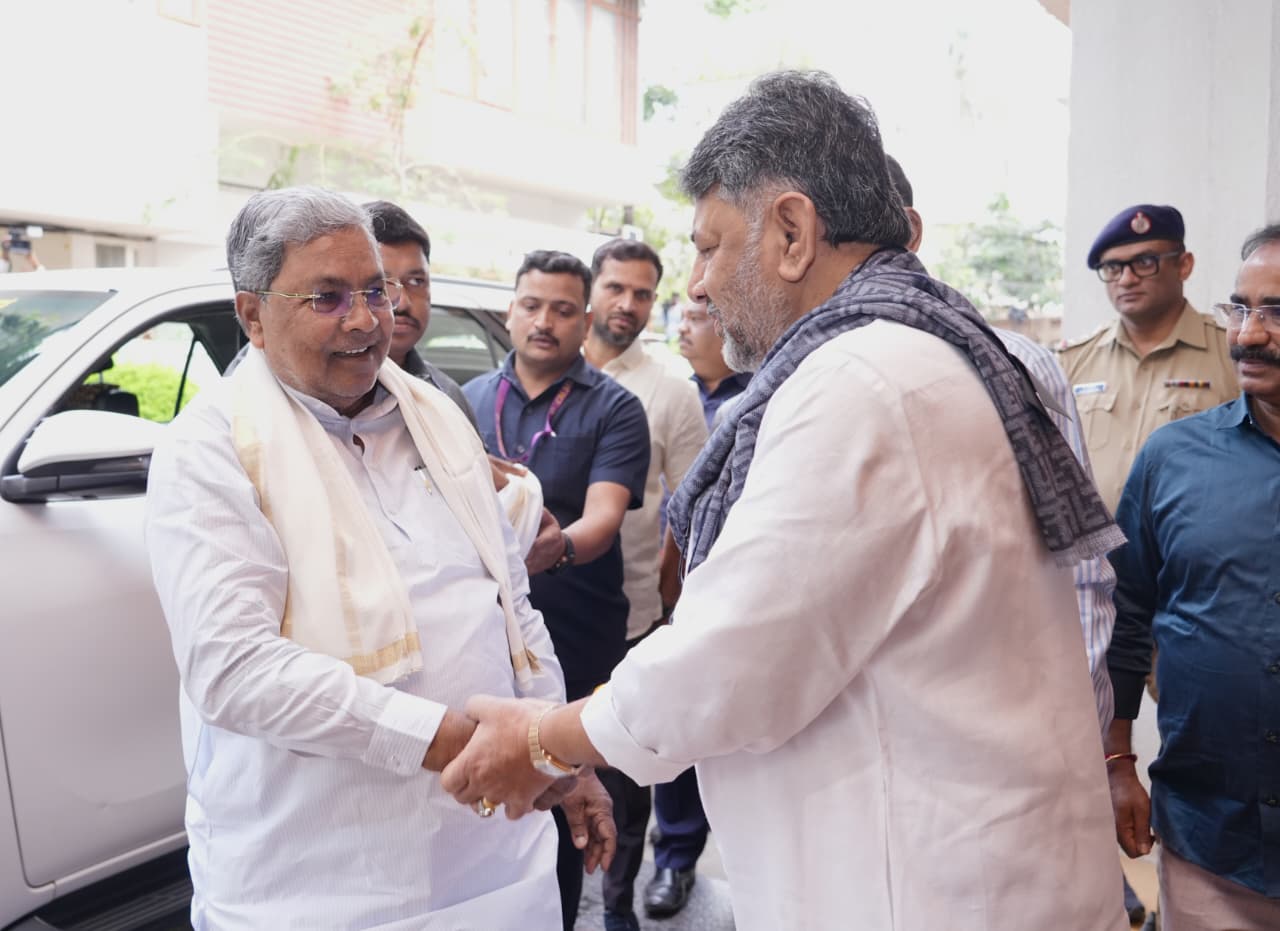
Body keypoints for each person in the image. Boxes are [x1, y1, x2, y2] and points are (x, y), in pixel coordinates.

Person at [440, 71, 1128, 931]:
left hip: (923, 892)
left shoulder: (862, 381)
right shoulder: (924, 350)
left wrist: (543, 739)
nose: (696, 285)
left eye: (709, 247)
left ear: (793, 233)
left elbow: (727, 661)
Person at [145, 186, 612, 929]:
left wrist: (557, 753)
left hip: (499, 863)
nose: (364, 319)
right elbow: (235, 670)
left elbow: (510, 603)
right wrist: (469, 745)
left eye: (374, 291)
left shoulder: (434, 415)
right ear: (252, 315)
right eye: (327, 298)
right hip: (324, 888)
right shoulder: (208, 451)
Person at [885, 152, 1119, 736]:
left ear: (909, 231)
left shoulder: (1017, 365)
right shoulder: (785, 383)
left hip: (1000, 728)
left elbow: (1078, 572)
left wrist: (1081, 732)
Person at [462, 249, 650, 930]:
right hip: (490, 634)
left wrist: (555, 548)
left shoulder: (616, 407)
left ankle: (593, 910)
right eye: (532, 305)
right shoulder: (465, 401)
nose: (545, 321)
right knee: (500, 802)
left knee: (575, 789)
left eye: (564, 310)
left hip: (578, 631)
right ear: (510, 310)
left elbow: (601, 520)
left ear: (585, 320)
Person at [1105, 223, 1280, 931]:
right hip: (1211, 847)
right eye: (1240, 308)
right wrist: (1116, 759)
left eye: (1276, 312)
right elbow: (1124, 617)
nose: (1249, 335)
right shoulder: (1172, 459)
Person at [580, 238, 708, 931]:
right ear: (591, 289)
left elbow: (690, 511)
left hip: (632, 616)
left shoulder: (670, 392)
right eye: (616, 288)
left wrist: (665, 603)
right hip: (542, 615)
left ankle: (617, 907)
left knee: (627, 776)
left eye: (642, 293)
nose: (628, 304)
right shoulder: (544, 372)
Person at [640, 298, 753, 920]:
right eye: (679, 317)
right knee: (668, 717)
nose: (682, 327)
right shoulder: (672, 394)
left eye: (697, 316)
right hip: (661, 586)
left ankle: (710, 860)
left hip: (718, 589)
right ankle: (671, 855)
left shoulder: (764, 393)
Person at [1058, 203, 1237, 513]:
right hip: (1094, 542)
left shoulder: (1233, 356)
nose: (1126, 279)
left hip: (1189, 542)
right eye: (1113, 267)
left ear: (1184, 265)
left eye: (1144, 262)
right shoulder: (1073, 361)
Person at [363, 199, 477, 426]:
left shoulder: (447, 397)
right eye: (381, 285)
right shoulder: (314, 394)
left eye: (416, 281)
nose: (402, 303)